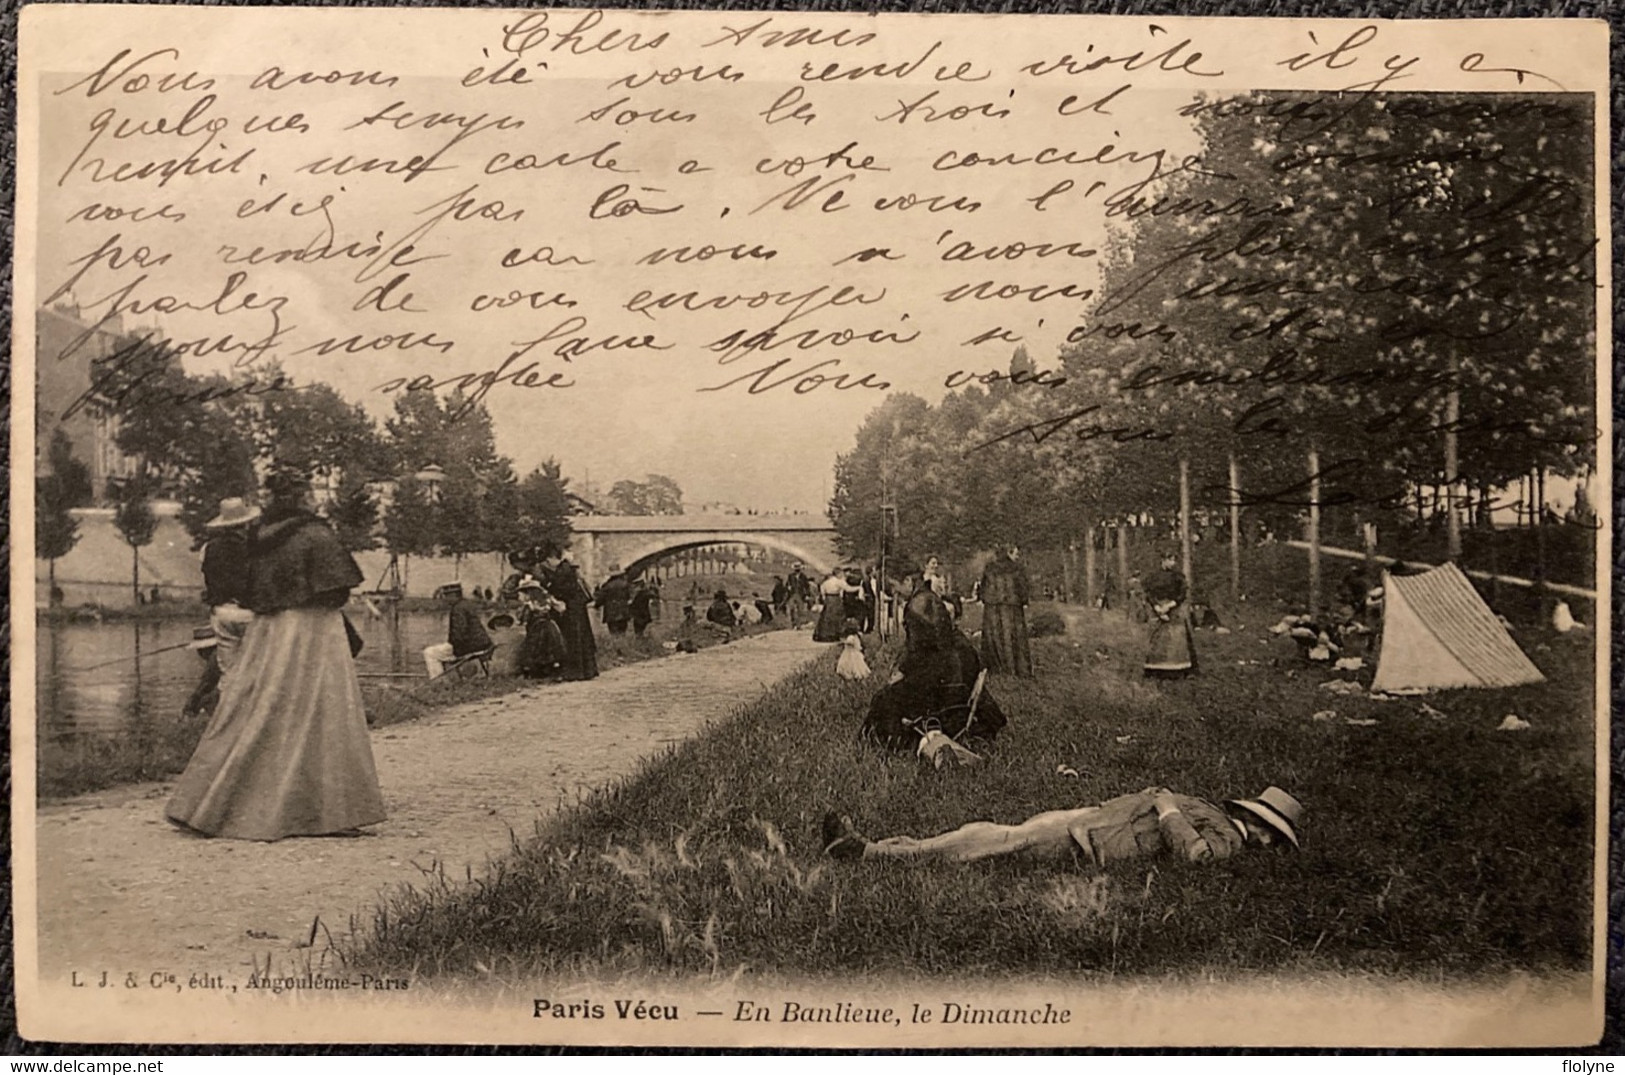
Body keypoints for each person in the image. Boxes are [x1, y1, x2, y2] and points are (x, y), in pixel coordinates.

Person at [166, 465, 385, 841]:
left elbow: (246, 587)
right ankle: (323, 811)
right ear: (302, 497)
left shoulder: (258, 535)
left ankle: (207, 801)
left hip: (269, 630)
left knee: (253, 710)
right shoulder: (315, 534)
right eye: (310, 493)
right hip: (314, 633)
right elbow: (335, 591)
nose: (314, 499)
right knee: (322, 716)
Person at [822, 785, 1303, 866]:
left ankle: (870, 853)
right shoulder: (1223, 822)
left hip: (1095, 838)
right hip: (1094, 819)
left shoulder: (1227, 842)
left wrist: (1167, 807)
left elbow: (1195, 855)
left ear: (1264, 835)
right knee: (988, 829)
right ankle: (899, 847)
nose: (1249, 821)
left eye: (1259, 822)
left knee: (992, 841)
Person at [862, 586, 1006, 750]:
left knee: (885, 699)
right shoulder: (959, 646)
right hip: (956, 712)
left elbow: (915, 689)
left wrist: (896, 685)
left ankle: (891, 742)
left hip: (939, 716)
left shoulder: (931, 656)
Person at [200, 496, 260, 679]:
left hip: (222, 612)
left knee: (228, 673)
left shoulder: (208, 548)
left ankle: (227, 705)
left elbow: (209, 577)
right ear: (246, 523)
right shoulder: (256, 548)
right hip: (250, 612)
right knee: (254, 670)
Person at [539, 544, 598, 681]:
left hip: (571, 609)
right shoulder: (570, 568)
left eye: (548, 560)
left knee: (573, 640)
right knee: (582, 639)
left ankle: (574, 672)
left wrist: (550, 591)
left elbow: (562, 589)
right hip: (578, 608)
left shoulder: (562, 570)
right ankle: (587, 671)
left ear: (552, 558)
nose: (548, 564)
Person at [979, 544, 1033, 676]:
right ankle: (1016, 669)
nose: (1017, 556)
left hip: (992, 606)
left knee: (995, 636)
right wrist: (1024, 599)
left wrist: (985, 598)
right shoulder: (1016, 568)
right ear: (1008, 553)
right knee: (1013, 636)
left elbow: (983, 587)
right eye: (1015, 553)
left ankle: (996, 668)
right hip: (1012, 606)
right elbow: (1022, 587)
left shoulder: (990, 568)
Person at [422, 583, 493, 678]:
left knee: (429, 652)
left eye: (446, 596)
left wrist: (454, 651)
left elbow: (459, 635)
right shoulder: (466, 604)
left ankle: (438, 681)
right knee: (441, 649)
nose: (445, 599)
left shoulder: (458, 609)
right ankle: (443, 676)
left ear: (453, 595)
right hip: (483, 645)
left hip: (471, 647)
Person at [1143, 553, 1197, 678]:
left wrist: (1170, 606)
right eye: (1170, 560)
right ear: (1163, 560)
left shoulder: (1178, 576)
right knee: (1158, 638)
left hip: (1174, 609)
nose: (1173, 563)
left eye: (1174, 560)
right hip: (1158, 609)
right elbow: (1149, 594)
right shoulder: (1153, 577)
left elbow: (1182, 593)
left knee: (1177, 638)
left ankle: (1177, 670)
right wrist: (1157, 608)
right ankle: (1156, 670)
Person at [514, 577, 567, 679]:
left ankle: (534, 671)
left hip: (537, 626)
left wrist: (521, 621)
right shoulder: (544, 600)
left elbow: (523, 619)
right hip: (547, 624)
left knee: (535, 647)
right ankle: (550, 669)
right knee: (549, 646)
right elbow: (560, 608)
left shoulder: (530, 604)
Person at [814, 568, 859, 642]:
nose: (842, 575)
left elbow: (822, 591)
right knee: (838, 616)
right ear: (838, 574)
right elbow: (848, 589)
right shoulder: (839, 582)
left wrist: (824, 597)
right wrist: (858, 588)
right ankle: (835, 634)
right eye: (841, 574)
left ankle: (824, 635)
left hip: (828, 599)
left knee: (827, 616)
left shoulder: (826, 582)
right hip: (835, 599)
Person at [594, 566, 633, 635]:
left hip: (611, 613)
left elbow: (600, 598)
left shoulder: (607, 586)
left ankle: (616, 645)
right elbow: (629, 596)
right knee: (622, 632)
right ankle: (623, 645)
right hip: (623, 612)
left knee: (614, 633)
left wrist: (596, 604)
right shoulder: (625, 584)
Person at [784, 563, 812, 628]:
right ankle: (793, 623)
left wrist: (807, 594)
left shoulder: (803, 576)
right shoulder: (790, 576)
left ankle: (799, 624)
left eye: (798, 568)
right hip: (792, 594)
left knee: (800, 610)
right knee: (792, 609)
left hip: (800, 594)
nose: (797, 569)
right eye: (796, 568)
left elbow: (807, 586)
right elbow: (787, 584)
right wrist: (788, 588)